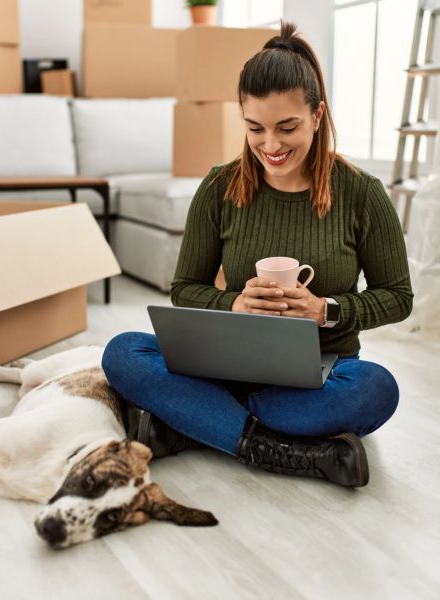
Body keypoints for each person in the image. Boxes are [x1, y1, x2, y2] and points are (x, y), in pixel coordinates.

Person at [102, 21, 413, 488]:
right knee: (123, 352)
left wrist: (325, 310)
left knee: (377, 389)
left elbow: (398, 296)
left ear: (317, 114)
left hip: (322, 372)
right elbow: (184, 289)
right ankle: (271, 447)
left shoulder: (362, 194)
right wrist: (236, 304)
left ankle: (195, 425)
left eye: (287, 127)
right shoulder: (219, 188)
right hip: (227, 369)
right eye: (255, 128)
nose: (271, 145)